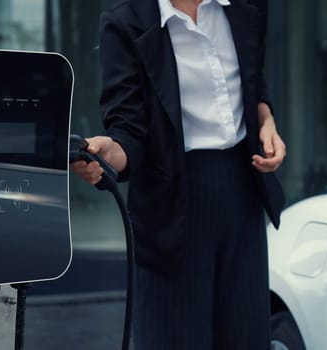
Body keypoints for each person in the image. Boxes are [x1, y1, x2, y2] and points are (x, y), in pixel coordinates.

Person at [71, 0, 286, 348]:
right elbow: (129, 127)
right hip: (170, 203)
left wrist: (265, 120)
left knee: (246, 338)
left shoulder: (246, 6)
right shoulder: (125, 20)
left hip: (243, 193)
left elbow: (252, 78)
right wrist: (109, 152)